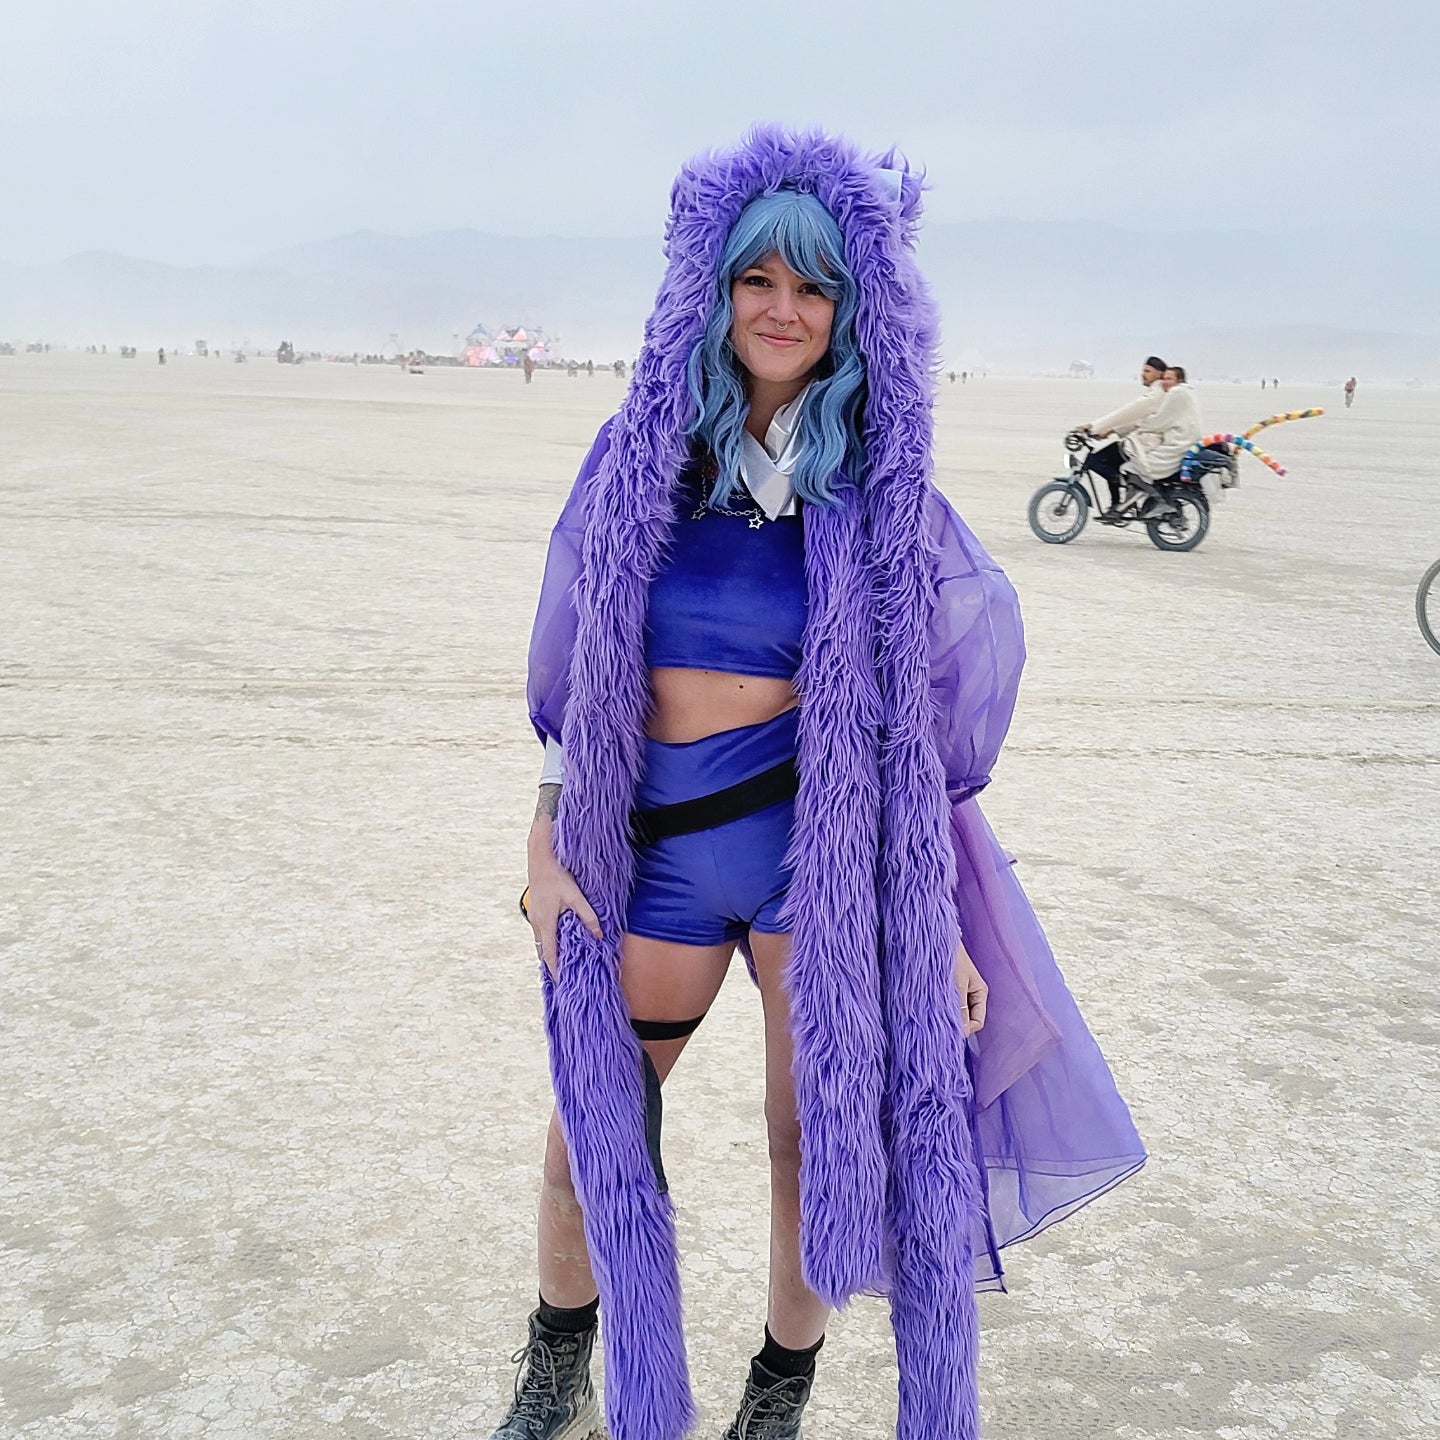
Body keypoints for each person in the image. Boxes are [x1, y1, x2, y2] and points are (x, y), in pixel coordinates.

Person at [508, 128, 1145, 1440]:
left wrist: (947, 925)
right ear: (717, 290)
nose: (784, 309)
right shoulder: (641, 463)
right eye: (759, 282)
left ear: (852, 310)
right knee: (594, 1139)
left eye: (814, 287)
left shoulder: (879, 488)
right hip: (662, 852)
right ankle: (561, 1357)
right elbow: (577, 668)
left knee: (819, 1145)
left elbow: (921, 733)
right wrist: (540, 845)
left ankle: (779, 1384)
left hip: (823, 868)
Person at [1077, 356, 1167, 518]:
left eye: (1147, 371)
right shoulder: (1158, 393)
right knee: (1109, 459)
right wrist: (1110, 431)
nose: (1143, 374)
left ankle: (1120, 503)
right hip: (1143, 439)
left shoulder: (1155, 396)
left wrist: (1094, 426)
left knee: (1096, 460)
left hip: (1145, 442)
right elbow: (1139, 421)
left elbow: (1127, 412)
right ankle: (1119, 503)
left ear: (1159, 374)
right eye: (1143, 371)